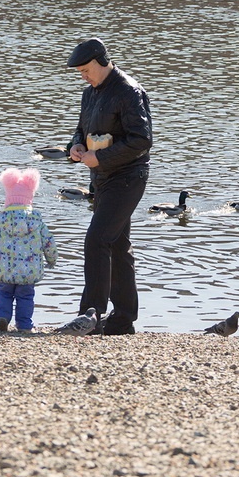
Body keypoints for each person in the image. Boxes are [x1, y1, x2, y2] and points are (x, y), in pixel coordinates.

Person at [66, 38, 152, 335]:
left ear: (102, 61)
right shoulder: (89, 94)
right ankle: (123, 320)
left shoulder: (129, 91)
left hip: (128, 178)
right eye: (80, 71)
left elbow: (142, 140)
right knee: (117, 245)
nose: (83, 75)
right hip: (101, 179)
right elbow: (80, 130)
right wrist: (76, 147)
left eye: (86, 69)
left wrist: (99, 157)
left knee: (97, 239)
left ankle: (89, 317)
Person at [0, 167, 57, 333]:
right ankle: (24, 326)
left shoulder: (2, 219)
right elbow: (49, 242)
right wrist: (52, 259)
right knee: (25, 297)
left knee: (3, 294)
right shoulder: (37, 220)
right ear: (30, 197)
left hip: (6, 269)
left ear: (8, 198)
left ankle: (1, 318)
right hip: (29, 272)